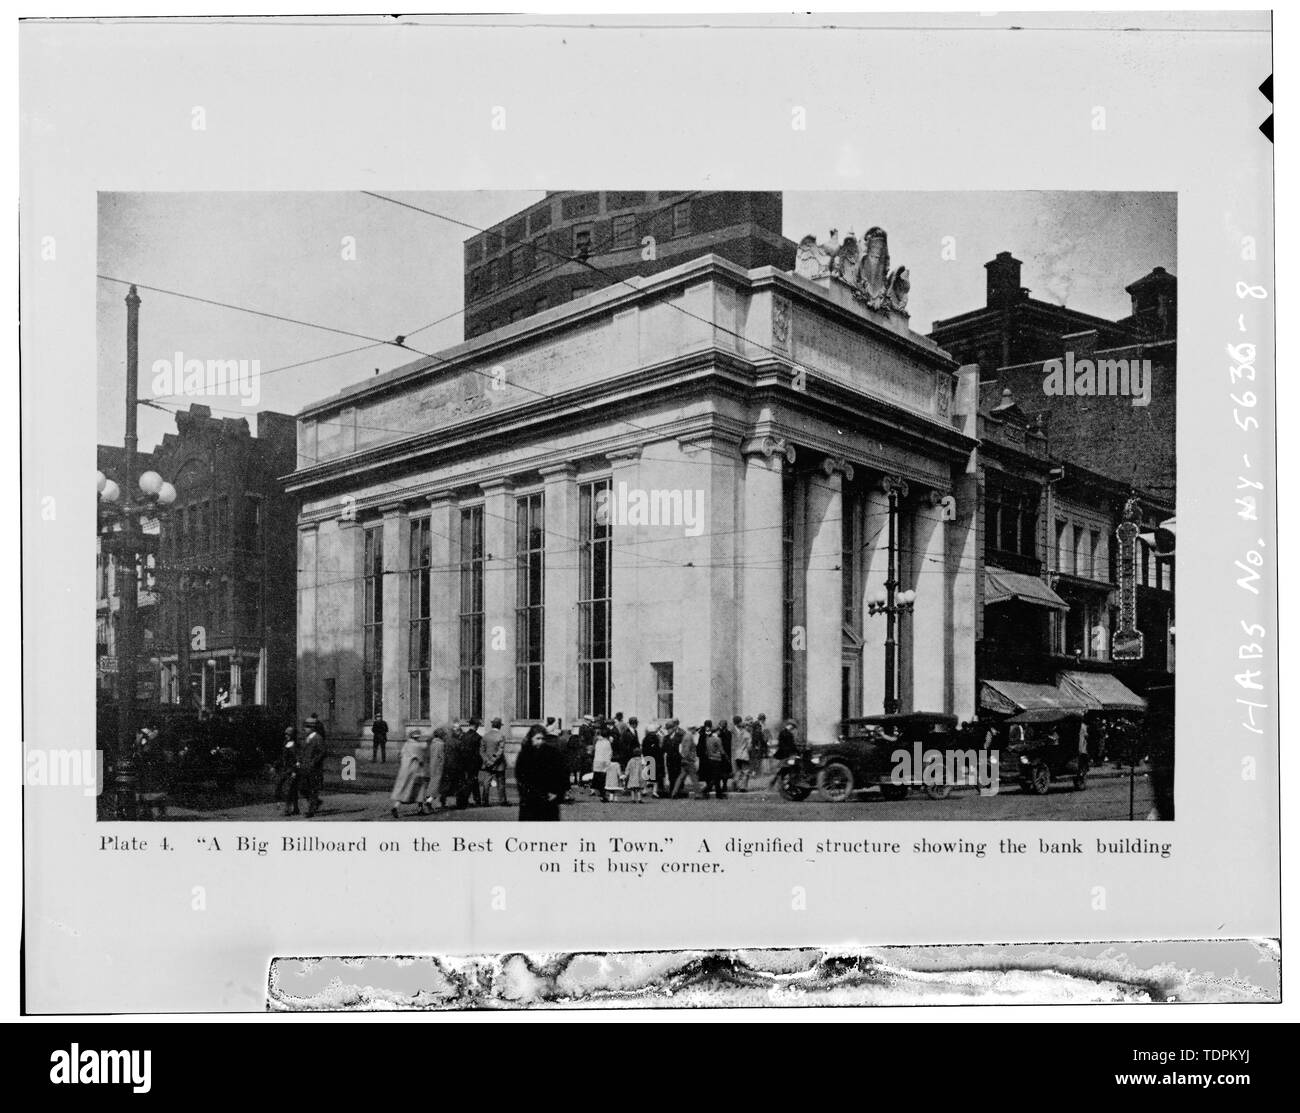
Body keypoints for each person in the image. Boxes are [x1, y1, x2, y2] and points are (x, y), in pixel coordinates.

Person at [515, 723, 568, 821]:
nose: (541, 742)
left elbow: (561, 774)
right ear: (531, 738)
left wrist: (557, 793)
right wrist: (526, 794)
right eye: (538, 739)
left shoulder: (553, 753)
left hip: (549, 799)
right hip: (530, 801)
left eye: (543, 739)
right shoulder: (524, 755)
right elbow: (520, 777)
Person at [390, 727, 431, 818]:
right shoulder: (418, 746)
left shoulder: (406, 744)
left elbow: (400, 755)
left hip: (404, 770)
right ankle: (420, 808)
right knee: (420, 788)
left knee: (404, 789)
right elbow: (422, 757)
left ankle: (396, 806)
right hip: (415, 770)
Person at [298, 718, 327, 817]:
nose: (304, 729)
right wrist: (300, 761)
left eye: (306, 727)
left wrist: (313, 762)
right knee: (302, 788)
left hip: (314, 769)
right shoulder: (308, 738)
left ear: (312, 728)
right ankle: (316, 802)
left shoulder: (318, 738)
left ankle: (311, 811)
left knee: (313, 789)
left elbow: (322, 752)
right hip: (305, 768)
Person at [479, 717, 508, 806]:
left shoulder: (485, 735)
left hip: (487, 763)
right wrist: (494, 759)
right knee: (500, 782)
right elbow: (500, 750)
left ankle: (484, 801)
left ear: (492, 725)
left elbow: (481, 750)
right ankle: (502, 801)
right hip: (499, 763)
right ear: (499, 726)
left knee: (486, 782)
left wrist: (487, 760)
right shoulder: (501, 736)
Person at [275, 726, 300, 816]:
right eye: (286, 734)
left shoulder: (294, 745)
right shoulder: (286, 743)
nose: (286, 735)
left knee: (290, 790)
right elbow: (283, 757)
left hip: (291, 770)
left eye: (289, 734)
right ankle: (294, 808)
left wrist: (294, 771)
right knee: (287, 789)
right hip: (285, 769)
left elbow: (297, 760)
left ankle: (288, 809)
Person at [423, 725, 449, 811]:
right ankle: (429, 801)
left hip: (432, 765)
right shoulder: (441, 744)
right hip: (439, 766)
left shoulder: (432, 743)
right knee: (437, 785)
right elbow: (442, 757)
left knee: (432, 782)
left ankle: (428, 798)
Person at [672, 726, 700, 799]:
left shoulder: (685, 736)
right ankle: (697, 794)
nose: (696, 731)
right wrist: (690, 759)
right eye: (695, 729)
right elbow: (687, 750)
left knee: (681, 777)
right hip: (688, 760)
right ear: (692, 729)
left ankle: (674, 792)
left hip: (685, 760)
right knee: (694, 777)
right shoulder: (689, 737)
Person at [702, 726, 729, 799]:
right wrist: (726, 757)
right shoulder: (717, 739)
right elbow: (721, 750)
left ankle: (718, 794)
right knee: (717, 778)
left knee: (716, 778)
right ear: (716, 731)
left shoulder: (708, 739)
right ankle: (706, 790)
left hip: (710, 759)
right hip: (717, 759)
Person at [641, 722, 663, 798]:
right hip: (656, 759)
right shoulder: (656, 738)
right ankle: (654, 791)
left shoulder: (645, 739)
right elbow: (659, 748)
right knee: (655, 777)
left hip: (647, 758)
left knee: (647, 775)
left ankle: (644, 790)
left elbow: (643, 749)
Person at [592, 727, 613, 802]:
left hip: (597, 761)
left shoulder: (598, 742)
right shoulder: (607, 743)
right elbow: (609, 753)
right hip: (604, 763)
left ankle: (600, 794)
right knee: (603, 781)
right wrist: (608, 763)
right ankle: (603, 795)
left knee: (598, 779)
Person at [731, 718, 752, 792]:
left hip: (737, 754)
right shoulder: (747, 734)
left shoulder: (736, 734)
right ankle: (743, 787)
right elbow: (749, 746)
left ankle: (735, 783)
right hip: (744, 754)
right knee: (746, 771)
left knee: (738, 770)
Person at [663, 719, 683, 796]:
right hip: (669, 759)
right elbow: (664, 748)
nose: (668, 731)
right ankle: (672, 791)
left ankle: (677, 791)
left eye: (669, 729)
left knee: (677, 775)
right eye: (667, 729)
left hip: (677, 758)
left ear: (673, 728)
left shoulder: (679, 737)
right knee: (671, 775)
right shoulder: (666, 738)